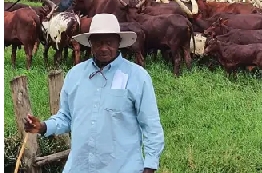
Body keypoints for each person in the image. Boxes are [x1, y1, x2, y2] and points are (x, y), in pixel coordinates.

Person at [24, 14, 165, 173]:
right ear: (90, 43)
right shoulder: (75, 75)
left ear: (119, 43)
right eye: (98, 42)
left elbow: (151, 126)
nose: (104, 48)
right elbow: (66, 116)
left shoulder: (137, 77)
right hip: (80, 167)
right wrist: (43, 126)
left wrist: (150, 166)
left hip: (123, 168)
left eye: (109, 42)